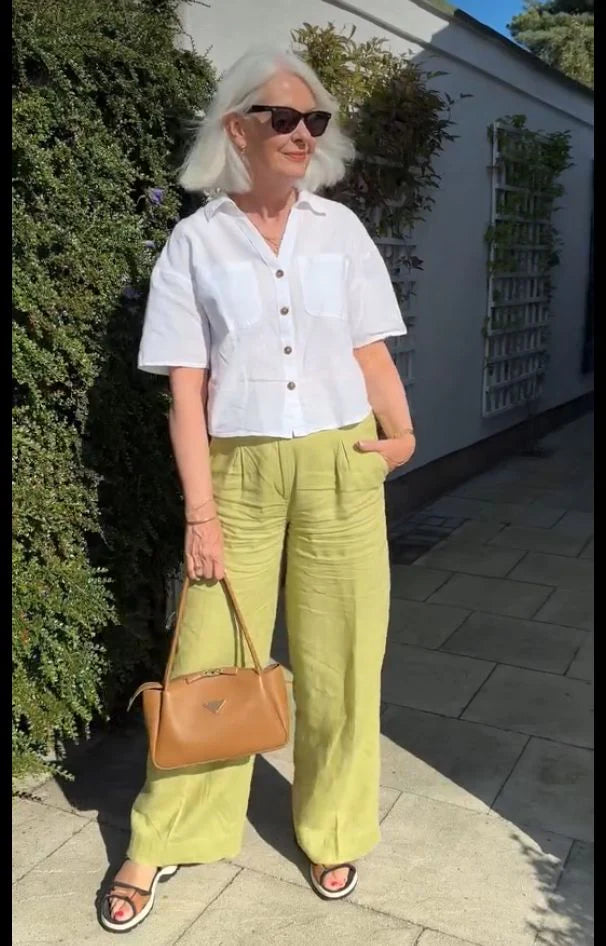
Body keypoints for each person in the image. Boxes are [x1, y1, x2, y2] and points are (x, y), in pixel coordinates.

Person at [100, 45, 415, 933]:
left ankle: (334, 826)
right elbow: (187, 387)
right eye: (284, 117)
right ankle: (166, 834)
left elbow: (368, 350)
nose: (302, 133)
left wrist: (402, 436)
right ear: (237, 128)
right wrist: (199, 513)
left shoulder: (340, 231)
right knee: (209, 655)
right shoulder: (195, 242)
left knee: (343, 656)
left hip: (341, 461)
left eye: (314, 120)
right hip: (237, 471)